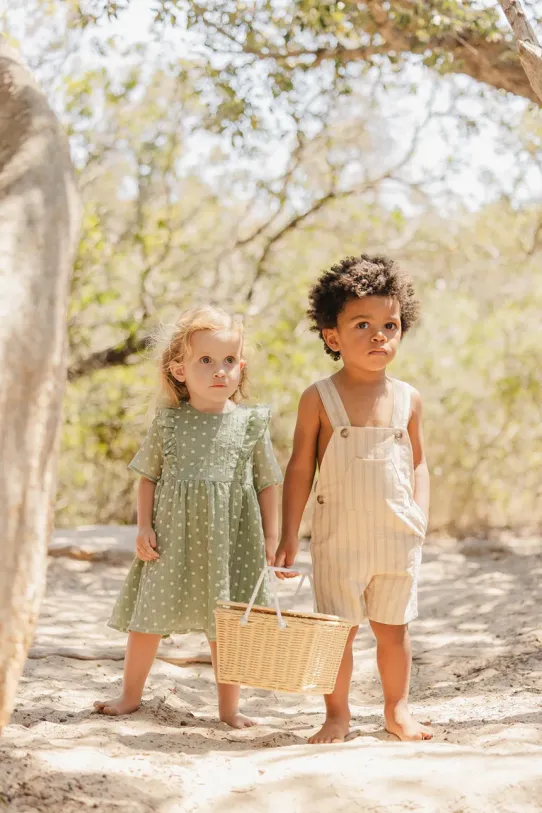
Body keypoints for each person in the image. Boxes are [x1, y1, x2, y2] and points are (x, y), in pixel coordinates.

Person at [94, 305, 282, 728]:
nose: (220, 371)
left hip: (231, 541)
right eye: (207, 361)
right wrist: (143, 526)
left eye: (229, 361)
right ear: (180, 370)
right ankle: (129, 695)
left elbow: (269, 482)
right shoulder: (170, 422)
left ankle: (230, 708)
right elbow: (147, 476)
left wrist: (272, 539)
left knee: (227, 625)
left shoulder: (250, 423)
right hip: (172, 539)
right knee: (148, 619)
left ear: (241, 367)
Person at [275, 254, 433, 743]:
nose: (379, 335)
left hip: (395, 536)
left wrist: (420, 516)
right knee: (337, 632)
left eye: (390, 324)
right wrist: (287, 535)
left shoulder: (409, 398)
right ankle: (337, 716)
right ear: (332, 336)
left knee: (393, 629)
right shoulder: (319, 397)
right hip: (338, 538)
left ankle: (396, 710)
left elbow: (420, 463)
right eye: (362, 324)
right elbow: (301, 467)